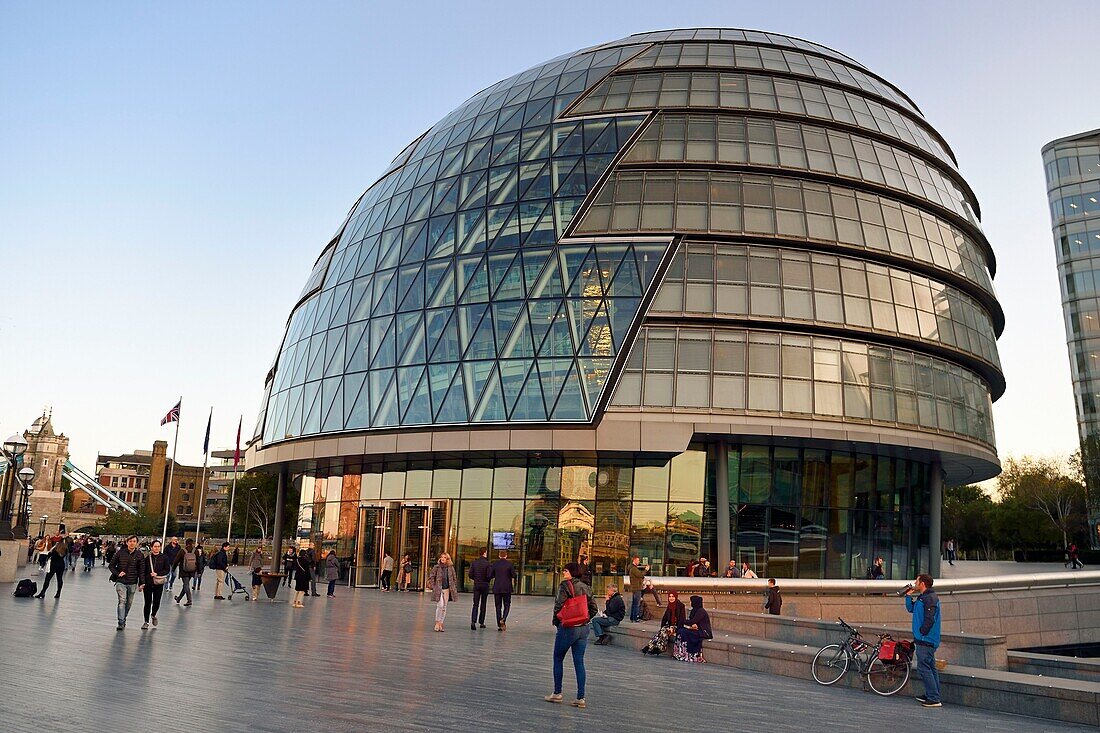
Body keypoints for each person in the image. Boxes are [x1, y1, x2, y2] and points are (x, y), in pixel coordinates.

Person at [545, 562, 598, 708]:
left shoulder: (565, 586)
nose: (563, 572)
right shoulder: (586, 586)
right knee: (579, 661)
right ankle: (580, 697)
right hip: (583, 628)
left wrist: (557, 621)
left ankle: (557, 693)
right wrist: (585, 618)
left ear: (572, 572)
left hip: (568, 628)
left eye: (565, 570)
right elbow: (594, 608)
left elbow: (558, 605)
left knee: (558, 658)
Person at [905, 573, 943, 708]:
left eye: (916, 581)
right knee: (930, 667)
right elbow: (911, 609)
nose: (914, 583)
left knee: (924, 668)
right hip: (923, 639)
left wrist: (922, 632)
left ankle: (934, 698)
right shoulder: (923, 597)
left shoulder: (930, 598)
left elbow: (930, 618)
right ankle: (932, 694)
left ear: (922, 583)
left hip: (926, 640)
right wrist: (908, 596)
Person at [110, 535, 145, 630]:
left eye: (134, 541)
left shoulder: (139, 555)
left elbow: (141, 570)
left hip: (132, 582)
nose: (132, 543)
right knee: (122, 601)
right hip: (121, 581)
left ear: (136, 543)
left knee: (129, 603)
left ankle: (124, 617)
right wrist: (118, 573)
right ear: (127, 542)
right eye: (130, 541)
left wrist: (142, 583)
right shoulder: (120, 553)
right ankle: (121, 622)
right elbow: (111, 565)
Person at [642, 591, 686, 655]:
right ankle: (657, 648)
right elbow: (664, 618)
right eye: (670, 597)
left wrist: (675, 630)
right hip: (670, 626)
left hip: (678, 626)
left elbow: (682, 620)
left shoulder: (681, 606)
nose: (671, 598)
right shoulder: (669, 606)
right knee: (663, 631)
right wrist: (662, 627)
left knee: (663, 631)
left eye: (673, 596)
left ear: (676, 597)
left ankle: (650, 647)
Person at [141, 539, 171, 629]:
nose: (157, 548)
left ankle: (153, 615)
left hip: (159, 583)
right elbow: (143, 571)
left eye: (158, 546)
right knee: (147, 602)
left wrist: (157, 573)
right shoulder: (147, 558)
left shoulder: (164, 557)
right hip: (148, 583)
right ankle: (146, 621)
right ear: (151, 547)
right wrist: (142, 582)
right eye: (155, 546)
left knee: (156, 602)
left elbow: (167, 570)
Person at [674, 595, 712, 663]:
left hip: (704, 632)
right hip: (697, 630)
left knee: (685, 632)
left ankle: (689, 654)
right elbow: (692, 622)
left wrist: (682, 621)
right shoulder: (694, 610)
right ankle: (680, 652)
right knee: (681, 630)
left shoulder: (701, 611)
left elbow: (693, 621)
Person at [428, 553, 458, 631]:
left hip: (447, 589)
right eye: (441, 557)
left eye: (445, 557)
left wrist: (453, 586)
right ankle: (437, 622)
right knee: (440, 605)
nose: (443, 558)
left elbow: (454, 578)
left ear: (448, 559)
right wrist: (433, 586)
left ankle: (441, 623)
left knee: (444, 607)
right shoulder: (437, 567)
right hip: (439, 589)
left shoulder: (450, 568)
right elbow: (431, 576)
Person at [490, 550, 516, 631]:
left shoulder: (495, 564)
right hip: (507, 587)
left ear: (499, 556)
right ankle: (503, 619)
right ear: (506, 556)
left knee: (498, 606)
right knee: (507, 604)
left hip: (497, 587)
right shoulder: (510, 564)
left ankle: (499, 624)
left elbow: (491, 574)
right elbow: (514, 575)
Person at [468, 548, 491, 630]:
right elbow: (489, 575)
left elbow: (470, 574)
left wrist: (476, 578)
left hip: (477, 584)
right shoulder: (488, 564)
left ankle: (473, 621)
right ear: (485, 553)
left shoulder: (474, 563)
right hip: (485, 585)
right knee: (483, 604)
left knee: (475, 604)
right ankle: (481, 622)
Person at [174, 538, 199, 606]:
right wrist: (198, 571)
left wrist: (173, 569)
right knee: (185, 585)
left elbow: (176, 561)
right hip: (192, 571)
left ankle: (189, 600)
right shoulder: (195, 551)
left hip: (184, 570)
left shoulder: (182, 551)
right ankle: (179, 598)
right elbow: (198, 562)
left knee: (186, 585)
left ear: (186, 543)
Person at [627, 556, 650, 622]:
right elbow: (640, 575)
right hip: (637, 588)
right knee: (636, 604)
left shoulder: (632, 568)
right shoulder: (633, 569)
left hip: (635, 588)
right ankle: (635, 618)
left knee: (634, 603)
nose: (639, 562)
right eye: (638, 560)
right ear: (634, 561)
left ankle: (632, 618)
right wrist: (646, 570)